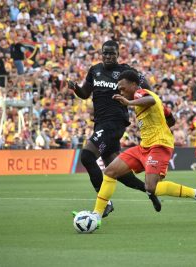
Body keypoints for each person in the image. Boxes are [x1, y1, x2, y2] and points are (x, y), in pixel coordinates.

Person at [91, 70, 196, 229]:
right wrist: (163, 124)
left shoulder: (140, 94)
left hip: (159, 146)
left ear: (133, 85)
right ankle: (96, 216)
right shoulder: (148, 99)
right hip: (144, 147)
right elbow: (170, 117)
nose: (121, 92)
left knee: (151, 187)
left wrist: (129, 104)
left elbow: (150, 100)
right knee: (110, 171)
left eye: (122, 88)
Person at [67, 40, 161, 217]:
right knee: (121, 174)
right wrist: (75, 88)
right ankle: (150, 192)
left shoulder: (125, 72)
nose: (108, 56)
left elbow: (146, 87)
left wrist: (141, 97)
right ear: (101, 54)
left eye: (112, 53)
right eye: (105, 53)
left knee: (87, 156)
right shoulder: (94, 71)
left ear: (118, 54)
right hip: (101, 123)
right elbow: (85, 94)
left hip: (115, 123)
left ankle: (105, 203)